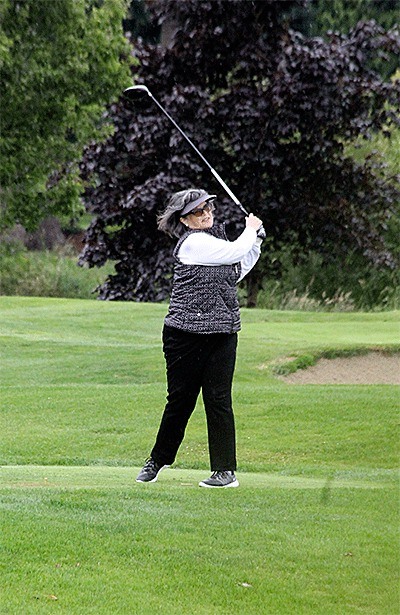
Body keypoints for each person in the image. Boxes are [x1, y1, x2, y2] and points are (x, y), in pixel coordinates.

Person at [136, 188, 263, 488]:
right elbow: (233, 251)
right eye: (198, 211)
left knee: (219, 399)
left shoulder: (215, 241)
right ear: (185, 220)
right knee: (180, 401)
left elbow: (236, 268)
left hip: (221, 332)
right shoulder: (193, 243)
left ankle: (224, 471)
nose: (206, 214)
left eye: (207, 208)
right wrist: (250, 230)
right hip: (184, 335)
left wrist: (255, 242)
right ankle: (158, 460)